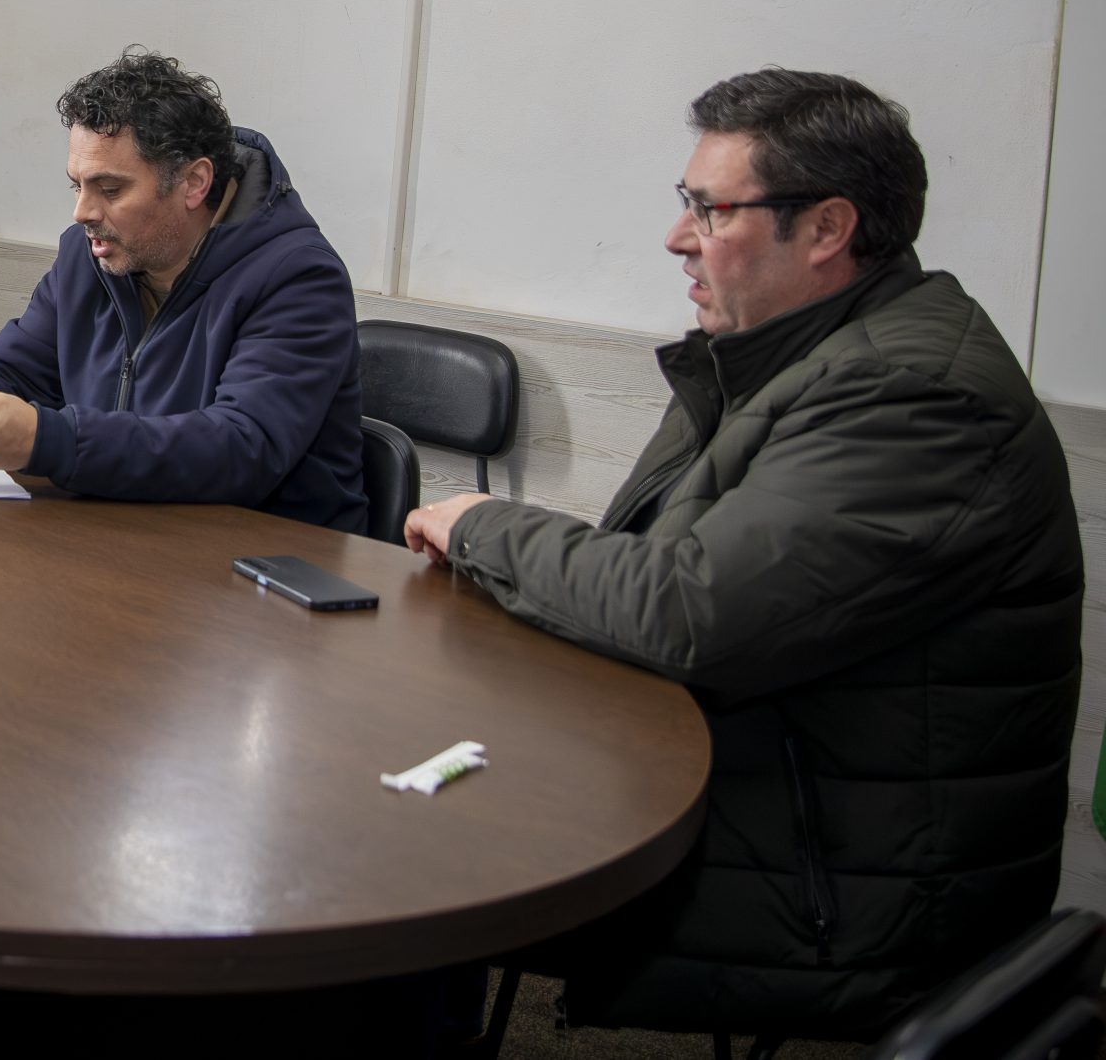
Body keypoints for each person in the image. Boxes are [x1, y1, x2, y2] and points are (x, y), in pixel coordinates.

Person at [404, 69, 1077, 1038]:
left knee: (410, 863)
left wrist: (479, 525)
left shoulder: (918, 400)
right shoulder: (797, 354)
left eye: (709, 210)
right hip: (767, 797)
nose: (678, 238)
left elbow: (689, 612)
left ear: (827, 228)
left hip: (839, 886)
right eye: (687, 204)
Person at [0, 47, 364, 528]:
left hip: (268, 562)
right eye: (78, 186)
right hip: (125, 534)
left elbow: (241, 449)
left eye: (109, 190)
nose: (83, 213)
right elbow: (20, 371)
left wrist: (44, 441)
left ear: (194, 182)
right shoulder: (87, 254)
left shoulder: (299, 277)